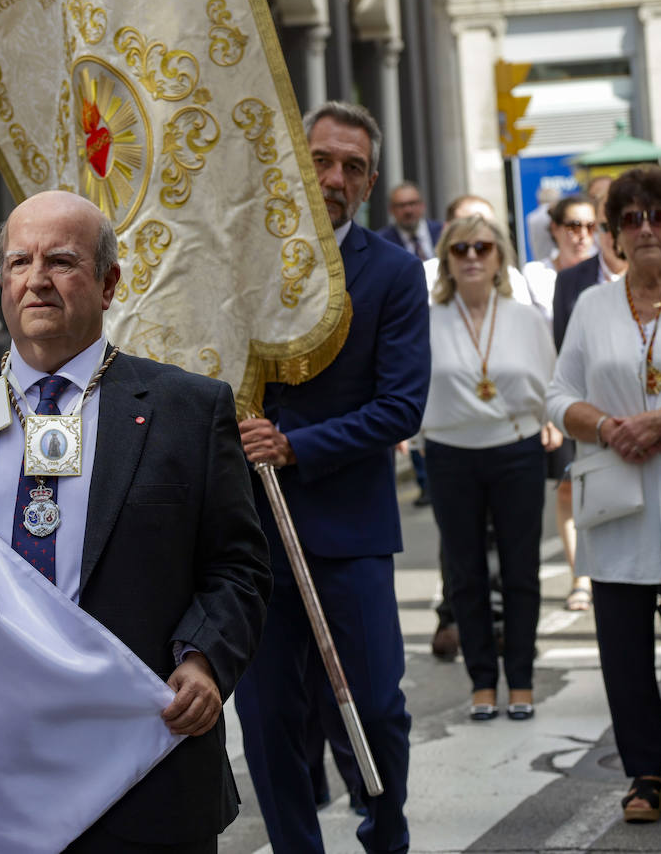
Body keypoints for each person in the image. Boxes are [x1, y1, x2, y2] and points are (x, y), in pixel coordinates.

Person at [0, 190, 272, 853]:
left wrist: (203, 660)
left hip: (143, 762)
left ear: (110, 282)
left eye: (61, 261)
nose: (37, 280)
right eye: (19, 262)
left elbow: (239, 565)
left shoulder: (188, 410)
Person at [234, 101, 428, 854]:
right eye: (320, 159)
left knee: (375, 709)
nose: (334, 176)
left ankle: (386, 831)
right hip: (252, 536)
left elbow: (401, 405)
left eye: (351, 165)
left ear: (371, 182)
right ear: (296, 164)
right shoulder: (242, 262)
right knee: (270, 720)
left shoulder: (395, 273)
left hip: (349, 531)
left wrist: (296, 446)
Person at [545, 166, 661, 823]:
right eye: (629, 219)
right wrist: (608, 426)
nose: (645, 229)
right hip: (617, 504)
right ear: (612, 236)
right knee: (625, 654)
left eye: (658, 216)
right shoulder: (591, 307)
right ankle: (643, 777)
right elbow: (556, 395)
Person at [422, 215, 556, 721]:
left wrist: (552, 424)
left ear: (499, 256)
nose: (472, 256)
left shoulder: (524, 318)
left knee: (521, 570)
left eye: (482, 246)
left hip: (516, 448)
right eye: (461, 249)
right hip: (450, 453)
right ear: (448, 261)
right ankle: (481, 680)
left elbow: (549, 380)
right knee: (465, 571)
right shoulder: (428, 317)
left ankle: (519, 679)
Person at [551, 178, 627, 612]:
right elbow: (563, 348)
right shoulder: (573, 281)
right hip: (584, 408)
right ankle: (582, 574)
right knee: (573, 489)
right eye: (604, 224)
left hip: (638, 411)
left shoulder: (657, 277)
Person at [523, 196, 596, 321]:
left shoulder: (602, 273)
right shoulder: (535, 274)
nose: (583, 235)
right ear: (554, 228)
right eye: (574, 226)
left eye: (590, 227)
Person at [377, 181, 442, 260]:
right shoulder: (382, 241)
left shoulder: (442, 232)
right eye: (401, 205)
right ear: (391, 210)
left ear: (422, 205)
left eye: (412, 203)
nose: (408, 211)